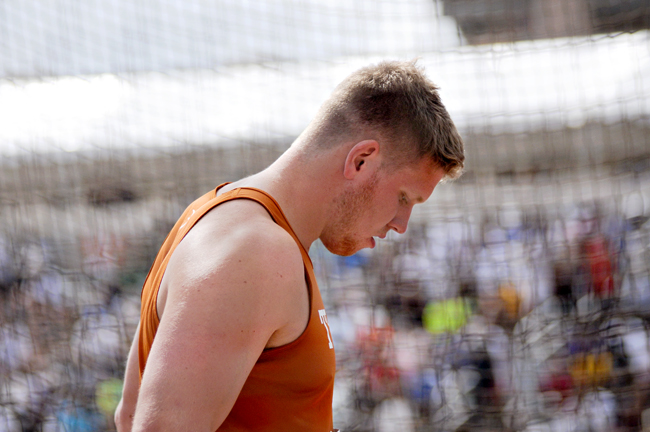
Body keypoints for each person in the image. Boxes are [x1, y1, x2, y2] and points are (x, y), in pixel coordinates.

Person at [114, 60, 465, 432]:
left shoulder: (220, 216)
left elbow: (130, 414)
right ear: (361, 160)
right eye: (404, 198)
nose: (401, 224)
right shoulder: (257, 253)